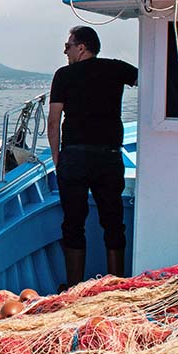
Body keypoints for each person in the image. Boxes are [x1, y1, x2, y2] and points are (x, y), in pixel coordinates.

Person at [47, 26, 137, 287]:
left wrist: (57, 158)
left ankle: (74, 287)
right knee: (113, 221)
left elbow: (54, 122)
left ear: (82, 47)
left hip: (74, 157)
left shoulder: (63, 75)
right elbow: (155, 80)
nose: (65, 50)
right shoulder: (117, 69)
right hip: (108, 156)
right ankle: (117, 283)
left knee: (73, 222)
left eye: (68, 45)